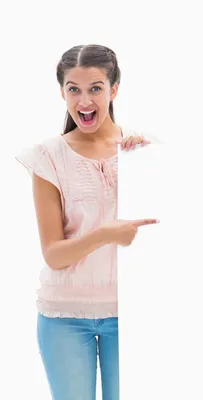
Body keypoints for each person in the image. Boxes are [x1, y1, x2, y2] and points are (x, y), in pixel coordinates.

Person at [16, 44, 159, 400]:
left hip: (134, 314)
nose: (84, 100)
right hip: (64, 317)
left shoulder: (143, 151)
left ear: (114, 89)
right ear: (62, 92)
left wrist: (149, 163)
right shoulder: (48, 157)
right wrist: (103, 234)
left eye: (95, 87)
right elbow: (54, 254)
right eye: (73, 89)